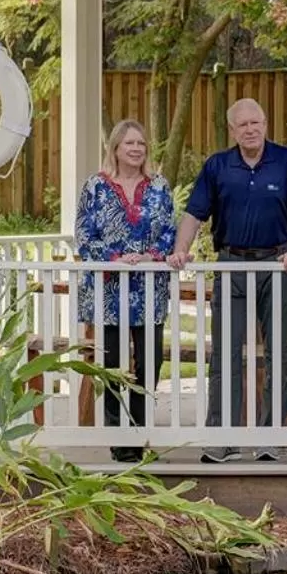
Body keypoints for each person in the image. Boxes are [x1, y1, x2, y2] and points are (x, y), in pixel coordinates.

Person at [168, 98, 287, 463]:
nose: (251, 129)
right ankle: (222, 437)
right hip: (231, 264)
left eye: (257, 122)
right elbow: (194, 214)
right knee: (224, 353)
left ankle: (270, 436)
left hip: (279, 264)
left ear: (266, 123)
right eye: (243, 125)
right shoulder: (218, 166)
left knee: (280, 352)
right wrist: (180, 250)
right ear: (232, 130)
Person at [74, 119, 177, 463]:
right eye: (129, 143)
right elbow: (85, 237)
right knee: (113, 365)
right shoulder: (95, 187)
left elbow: (169, 234)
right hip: (108, 291)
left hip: (149, 289)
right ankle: (120, 439)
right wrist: (117, 258)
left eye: (141, 144)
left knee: (150, 363)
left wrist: (149, 256)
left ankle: (140, 434)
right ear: (115, 148)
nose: (136, 149)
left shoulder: (160, 187)